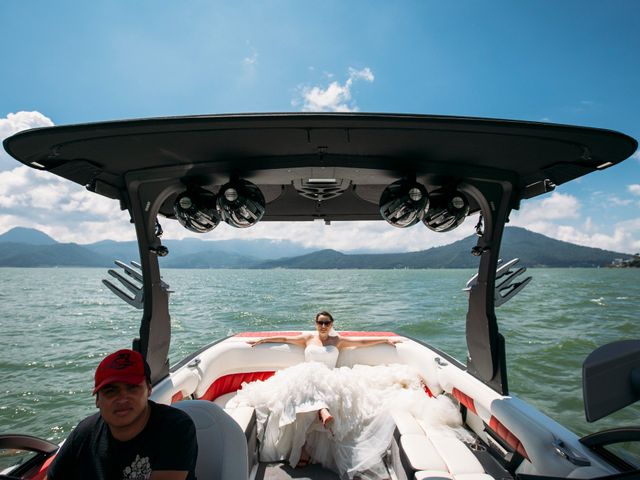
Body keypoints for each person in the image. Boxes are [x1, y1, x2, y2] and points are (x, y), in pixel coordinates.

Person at [230, 311, 456, 479]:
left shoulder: (338, 340)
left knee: (310, 385)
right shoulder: (306, 338)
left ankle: (309, 438)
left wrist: (386, 340)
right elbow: (284, 340)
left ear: (332, 324)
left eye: (327, 323)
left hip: (331, 380)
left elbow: (362, 342)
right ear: (315, 323)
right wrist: (261, 340)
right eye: (320, 322)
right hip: (306, 378)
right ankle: (321, 413)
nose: (323, 326)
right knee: (306, 379)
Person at [46, 349, 198, 480]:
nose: (122, 398)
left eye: (132, 388)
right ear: (98, 400)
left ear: (149, 390)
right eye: (111, 391)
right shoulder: (85, 433)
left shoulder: (176, 428)